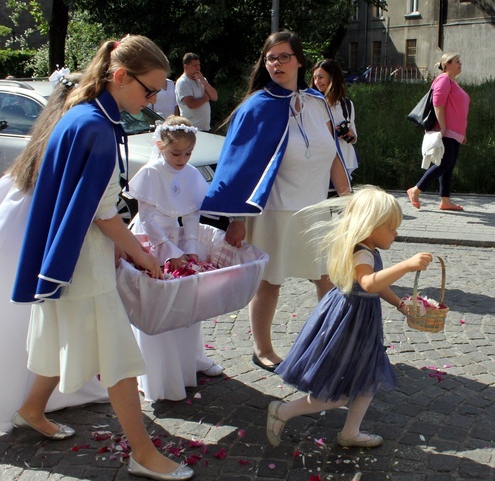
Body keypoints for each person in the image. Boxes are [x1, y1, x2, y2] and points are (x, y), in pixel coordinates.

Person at [10, 35, 193, 481]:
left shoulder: (84, 115)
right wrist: (144, 256)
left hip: (68, 254)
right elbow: (105, 214)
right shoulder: (95, 125)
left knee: (58, 336)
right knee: (119, 360)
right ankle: (143, 454)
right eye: (148, 90)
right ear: (118, 76)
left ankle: (32, 409)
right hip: (82, 261)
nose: (153, 101)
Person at [0, 72, 109, 433]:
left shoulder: (48, 135)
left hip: (13, 229)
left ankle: (35, 394)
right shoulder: (74, 131)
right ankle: (29, 400)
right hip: (27, 234)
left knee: (22, 319)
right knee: (35, 319)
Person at [199, 31, 351, 372]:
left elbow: (334, 157)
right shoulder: (258, 106)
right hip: (273, 213)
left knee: (328, 278)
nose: (277, 64)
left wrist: (348, 202)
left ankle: (333, 343)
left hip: (315, 211)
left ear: (299, 60)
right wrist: (236, 218)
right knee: (269, 283)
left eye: (284, 57)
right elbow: (239, 164)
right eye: (271, 58)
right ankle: (262, 348)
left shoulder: (317, 102)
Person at [266, 186, 432, 448]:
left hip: (361, 320)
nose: (396, 234)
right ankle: (282, 411)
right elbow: (369, 283)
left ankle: (350, 433)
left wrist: (399, 303)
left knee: (368, 379)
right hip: (349, 323)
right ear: (371, 226)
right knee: (338, 395)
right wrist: (406, 265)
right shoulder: (362, 252)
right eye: (391, 228)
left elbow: (378, 286)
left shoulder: (369, 250)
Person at [126, 115, 223, 402]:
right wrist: (170, 252)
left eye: (188, 154)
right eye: (175, 153)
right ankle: (160, 371)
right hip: (153, 241)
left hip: (178, 240)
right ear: (160, 146)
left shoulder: (191, 173)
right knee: (159, 305)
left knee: (188, 301)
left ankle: (191, 358)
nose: (182, 159)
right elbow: (147, 218)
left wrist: (190, 246)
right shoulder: (151, 173)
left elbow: (192, 213)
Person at [407, 53, 470, 212]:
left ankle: (445, 201)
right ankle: (416, 190)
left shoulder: (453, 82)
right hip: (446, 131)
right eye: (457, 61)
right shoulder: (444, 79)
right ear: (447, 64)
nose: (460, 63)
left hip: (455, 133)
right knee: (444, 164)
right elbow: (438, 103)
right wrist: (442, 127)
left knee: (448, 166)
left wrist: (462, 132)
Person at [310, 58, 359, 175]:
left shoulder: (347, 104)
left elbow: (354, 138)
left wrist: (349, 134)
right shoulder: (311, 103)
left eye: (321, 77)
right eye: (315, 78)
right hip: (320, 164)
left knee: (343, 194)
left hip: (344, 163)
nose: (317, 82)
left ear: (332, 78)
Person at [175, 53, 218, 131]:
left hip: (205, 128)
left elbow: (215, 97)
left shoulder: (202, 79)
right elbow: (191, 104)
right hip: (191, 128)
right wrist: (206, 98)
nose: (198, 68)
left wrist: (203, 81)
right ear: (186, 66)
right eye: (195, 66)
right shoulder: (183, 82)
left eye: (198, 65)